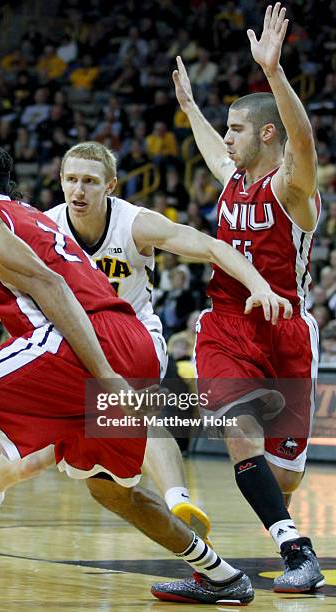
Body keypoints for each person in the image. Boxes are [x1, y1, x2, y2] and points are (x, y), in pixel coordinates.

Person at [0, 134, 265, 607]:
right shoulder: (33, 217)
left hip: (79, 344)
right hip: (130, 337)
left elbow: (50, 284)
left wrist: (104, 375)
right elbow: (41, 281)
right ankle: (220, 575)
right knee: (112, 490)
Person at [0, 141, 287, 565]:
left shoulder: (134, 224)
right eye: (71, 179)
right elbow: (11, 286)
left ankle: (178, 501)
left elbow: (212, 247)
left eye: (90, 181)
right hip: (68, 342)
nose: (79, 190)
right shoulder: (42, 225)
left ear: (109, 185)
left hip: (131, 337)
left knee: (142, 407)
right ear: (60, 182)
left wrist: (258, 285)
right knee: (35, 459)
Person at [156, 3, 324, 598]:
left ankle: (273, 547)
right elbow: (210, 146)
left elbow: (303, 141)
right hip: (226, 325)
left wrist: (276, 74)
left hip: (286, 336)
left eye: (237, 130)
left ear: (267, 134)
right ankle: (283, 557)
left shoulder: (292, 190)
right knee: (237, 432)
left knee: (281, 476)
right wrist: (192, 110)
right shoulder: (231, 177)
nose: (227, 140)